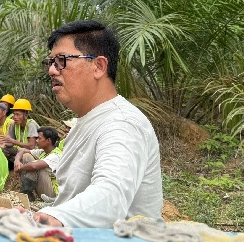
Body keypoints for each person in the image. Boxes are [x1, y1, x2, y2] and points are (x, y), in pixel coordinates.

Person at [35, 19, 163, 228]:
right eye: (50, 63)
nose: (52, 71)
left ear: (98, 66)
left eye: (61, 61)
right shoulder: (88, 121)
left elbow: (111, 194)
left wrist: (48, 218)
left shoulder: (121, 123)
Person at [13, 126, 61, 201]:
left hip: (53, 194)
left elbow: (34, 166)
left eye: (39, 138)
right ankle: (27, 194)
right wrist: (17, 162)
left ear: (48, 140)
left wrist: (20, 168)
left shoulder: (56, 155)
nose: (37, 141)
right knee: (27, 156)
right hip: (45, 189)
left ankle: (26, 192)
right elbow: (22, 150)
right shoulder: (43, 151)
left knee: (36, 167)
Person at [0, 98, 39, 163]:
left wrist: (13, 141)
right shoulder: (14, 124)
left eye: (18, 114)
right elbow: (10, 142)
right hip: (20, 150)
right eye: (14, 114)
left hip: (33, 152)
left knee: (25, 156)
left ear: (25, 116)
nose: (14, 117)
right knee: (1, 149)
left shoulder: (31, 124)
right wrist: (3, 144)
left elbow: (31, 146)